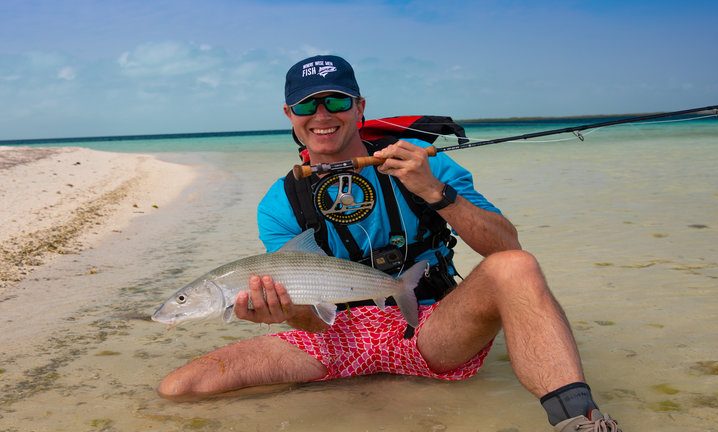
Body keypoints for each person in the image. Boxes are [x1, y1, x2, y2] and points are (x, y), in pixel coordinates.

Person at [157, 55, 623, 432]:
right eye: (306, 106)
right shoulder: (281, 201)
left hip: (431, 329)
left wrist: (434, 192)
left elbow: (506, 247)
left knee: (517, 267)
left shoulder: (427, 167)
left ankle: (579, 422)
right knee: (179, 387)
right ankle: (366, 392)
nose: (322, 116)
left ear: (359, 107)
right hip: (337, 337)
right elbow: (313, 324)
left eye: (335, 101)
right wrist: (284, 312)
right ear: (289, 116)